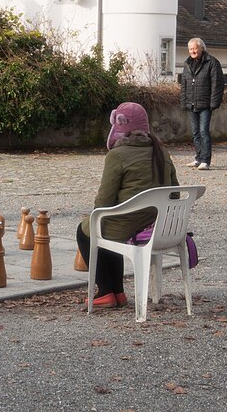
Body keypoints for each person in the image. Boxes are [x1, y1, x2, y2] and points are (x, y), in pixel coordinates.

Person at [76, 102, 179, 308]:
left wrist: (95, 216)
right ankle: (118, 293)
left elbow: (104, 200)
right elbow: (175, 192)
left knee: (87, 230)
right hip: (158, 225)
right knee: (109, 228)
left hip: (131, 223)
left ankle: (106, 291)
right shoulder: (161, 152)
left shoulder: (117, 155)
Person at [180, 37, 225, 170]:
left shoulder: (212, 62)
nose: (192, 51)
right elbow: (184, 85)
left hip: (205, 103)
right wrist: (184, 102)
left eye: (195, 48)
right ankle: (199, 158)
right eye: (190, 49)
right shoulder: (187, 64)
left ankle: (206, 160)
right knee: (195, 133)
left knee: (203, 131)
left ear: (201, 48)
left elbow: (217, 84)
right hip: (191, 103)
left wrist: (214, 103)